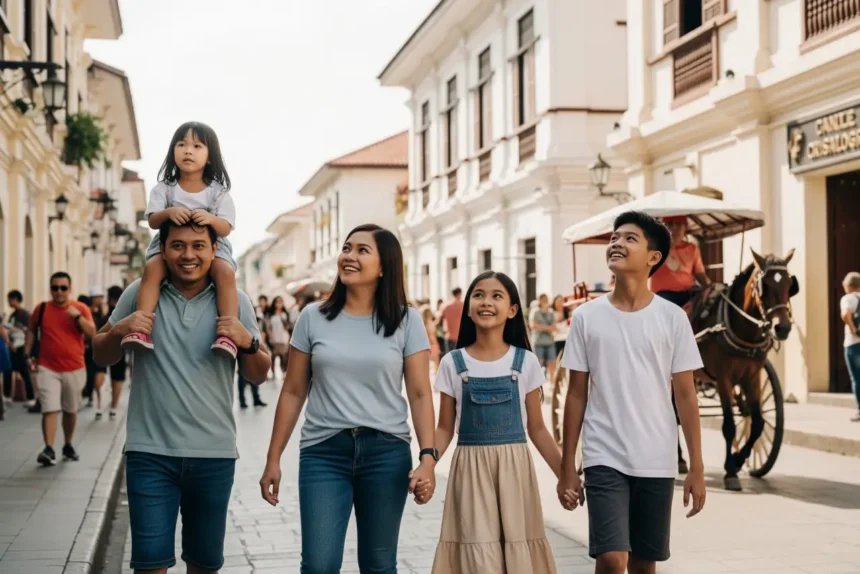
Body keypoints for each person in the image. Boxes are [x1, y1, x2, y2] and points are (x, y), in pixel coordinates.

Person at [92, 219, 271, 574]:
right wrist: (121, 330)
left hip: (214, 454)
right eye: (177, 245)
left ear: (214, 250)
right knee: (150, 565)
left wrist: (247, 340)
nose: (188, 254)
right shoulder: (140, 293)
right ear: (162, 250)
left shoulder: (235, 302)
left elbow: (258, 374)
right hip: (150, 452)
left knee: (203, 566)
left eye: (198, 245)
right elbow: (100, 353)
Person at [259, 223, 437, 574]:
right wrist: (273, 457)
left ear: (384, 266)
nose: (349, 256)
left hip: (386, 454)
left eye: (361, 250)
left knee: (378, 566)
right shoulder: (313, 317)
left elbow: (419, 393)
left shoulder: (406, 320)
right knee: (319, 566)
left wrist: (428, 457)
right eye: (346, 248)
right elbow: (294, 390)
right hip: (324, 453)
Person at [557, 211, 706, 574]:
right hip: (603, 454)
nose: (616, 243)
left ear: (653, 257)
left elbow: (686, 396)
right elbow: (576, 395)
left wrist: (697, 467)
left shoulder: (672, 319)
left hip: (656, 457)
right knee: (610, 559)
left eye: (629, 238)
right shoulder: (587, 317)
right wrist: (566, 467)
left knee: (643, 564)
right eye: (614, 237)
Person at [431, 271, 565, 573]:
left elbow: (538, 429)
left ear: (513, 309)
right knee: (478, 553)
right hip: (470, 470)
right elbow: (444, 428)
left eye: (496, 296)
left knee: (517, 548)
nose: (486, 302)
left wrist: (565, 475)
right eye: (478, 295)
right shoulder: (453, 363)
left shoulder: (526, 361)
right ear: (467, 307)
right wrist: (428, 463)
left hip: (515, 470)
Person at [121, 121, 240, 358]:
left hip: (211, 246)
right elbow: (154, 221)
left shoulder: (218, 192)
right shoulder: (164, 189)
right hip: (167, 244)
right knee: (152, 268)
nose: (188, 150)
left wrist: (209, 219)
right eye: (182, 144)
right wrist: (168, 213)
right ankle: (142, 328)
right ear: (172, 151)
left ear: (209, 156)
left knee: (225, 273)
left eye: (197, 146)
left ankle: (228, 333)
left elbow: (226, 227)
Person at [26, 272, 96, 466]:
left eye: (63, 288)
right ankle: (48, 448)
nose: (58, 292)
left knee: (70, 410)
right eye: (55, 288)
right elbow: (32, 330)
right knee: (49, 408)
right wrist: (27, 352)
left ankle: (67, 444)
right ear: (50, 289)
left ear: (70, 289)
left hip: (74, 367)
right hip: (47, 367)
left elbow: (93, 334)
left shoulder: (80, 308)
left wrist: (78, 318)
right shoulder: (41, 309)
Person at [649, 215, 711, 308]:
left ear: (685, 227)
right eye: (669, 224)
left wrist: (711, 286)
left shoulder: (692, 248)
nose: (674, 228)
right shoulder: (654, 247)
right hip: (663, 295)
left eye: (678, 224)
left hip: (688, 293)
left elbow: (699, 273)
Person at [4, 290, 37, 410]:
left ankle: (31, 398)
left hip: (22, 347)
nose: (8, 302)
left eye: (9, 299)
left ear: (15, 299)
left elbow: (28, 330)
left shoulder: (24, 314)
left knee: (24, 372)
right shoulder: (13, 314)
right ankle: (7, 396)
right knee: (8, 370)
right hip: (14, 346)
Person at [84, 288, 110, 417]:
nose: (99, 299)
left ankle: (99, 405)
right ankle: (91, 397)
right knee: (91, 377)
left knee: (99, 379)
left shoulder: (105, 312)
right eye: (96, 297)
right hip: (89, 350)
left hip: (101, 349)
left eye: (100, 296)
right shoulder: (87, 312)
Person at [840, 271, 860, 422]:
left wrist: (853, 329)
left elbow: (845, 314)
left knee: (856, 379)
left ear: (849, 286)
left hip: (853, 344)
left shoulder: (848, 298)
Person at [106, 286, 127, 419]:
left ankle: (113, 402)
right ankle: (114, 404)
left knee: (112, 376)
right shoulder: (124, 308)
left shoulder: (108, 309)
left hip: (107, 344)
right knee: (117, 377)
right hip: (120, 346)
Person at [530, 293, 558, 383]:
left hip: (549, 341)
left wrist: (541, 327)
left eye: (546, 299)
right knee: (538, 363)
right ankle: (535, 383)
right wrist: (548, 327)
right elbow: (533, 325)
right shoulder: (535, 312)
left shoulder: (551, 312)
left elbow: (554, 328)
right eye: (543, 299)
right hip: (538, 341)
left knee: (552, 362)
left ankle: (552, 382)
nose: (545, 301)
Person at [265, 296, 290, 380]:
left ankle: (283, 372)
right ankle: (273, 373)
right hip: (274, 339)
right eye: (277, 302)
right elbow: (268, 327)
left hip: (284, 339)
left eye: (281, 302)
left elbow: (288, 327)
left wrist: (284, 321)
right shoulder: (270, 315)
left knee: (284, 356)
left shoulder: (285, 314)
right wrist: (271, 337)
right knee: (274, 356)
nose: (279, 304)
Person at [440, 288, 464, 354]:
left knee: (450, 359)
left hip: (449, 336)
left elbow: (439, 320)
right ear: (460, 294)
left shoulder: (445, 305)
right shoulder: (463, 305)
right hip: (461, 336)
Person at [421, 304, 441, 372]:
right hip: (432, 342)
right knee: (436, 362)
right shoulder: (429, 322)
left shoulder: (422, 323)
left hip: (426, 343)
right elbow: (431, 331)